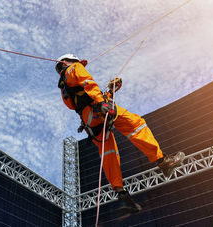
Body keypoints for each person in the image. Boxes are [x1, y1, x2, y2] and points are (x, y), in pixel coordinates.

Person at [56, 54, 185, 214]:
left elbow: (82, 101)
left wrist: (110, 91)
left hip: (89, 121)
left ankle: (121, 194)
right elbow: (88, 83)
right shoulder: (74, 68)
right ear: (68, 61)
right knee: (135, 124)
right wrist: (103, 102)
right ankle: (163, 161)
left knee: (109, 153)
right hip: (98, 110)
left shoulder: (64, 89)